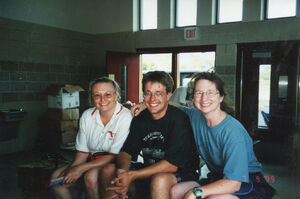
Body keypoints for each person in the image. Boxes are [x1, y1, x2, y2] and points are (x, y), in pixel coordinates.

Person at [133, 72, 275, 199]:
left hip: (247, 181)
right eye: (199, 93)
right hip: (217, 177)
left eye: (210, 93)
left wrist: (196, 192)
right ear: (193, 96)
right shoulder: (196, 116)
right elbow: (171, 105)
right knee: (176, 191)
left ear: (221, 97)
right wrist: (146, 105)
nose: (204, 98)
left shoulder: (233, 132)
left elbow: (234, 184)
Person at [106, 71, 198, 199]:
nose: (152, 98)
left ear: (168, 95)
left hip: (181, 174)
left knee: (159, 179)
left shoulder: (179, 119)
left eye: (158, 93)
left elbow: (171, 165)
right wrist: (122, 172)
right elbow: (127, 151)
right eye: (148, 93)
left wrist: (132, 175)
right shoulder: (140, 118)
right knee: (109, 171)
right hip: (150, 168)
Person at [50, 77, 132, 199]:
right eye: (97, 95)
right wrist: (73, 169)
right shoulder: (87, 115)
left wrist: (80, 169)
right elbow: (83, 152)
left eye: (108, 94)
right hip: (93, 160)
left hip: (119, 160)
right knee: (56, 177)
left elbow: (115, 155)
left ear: (116, 96)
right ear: (92, 98)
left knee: (91, 176)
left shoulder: (125, 116)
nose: (102, 99)